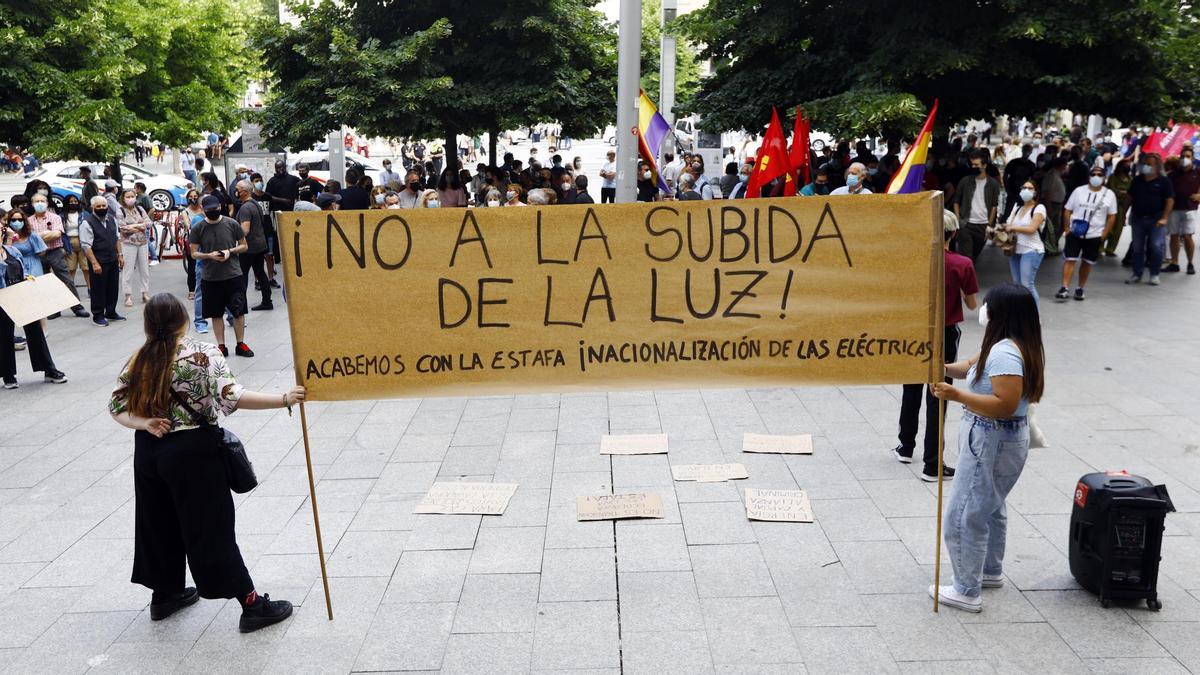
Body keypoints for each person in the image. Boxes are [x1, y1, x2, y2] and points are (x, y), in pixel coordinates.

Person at [109, 293, 301, 632]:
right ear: (183, 320)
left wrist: (145, 423)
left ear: (148, 325)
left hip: (149, 452)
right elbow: (233, 397)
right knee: (211, 528)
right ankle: (252, 604)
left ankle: (164, 595)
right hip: (192, 452)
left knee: (158, 524)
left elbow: (116, 406)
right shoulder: (202, 355)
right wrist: (284, 398)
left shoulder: (138, 358)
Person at [930, 283, 1045, 612]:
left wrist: (957, 395)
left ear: (1000, 313)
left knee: (964, 512)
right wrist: (940, 369)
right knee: (991, 506)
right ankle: (988, 571)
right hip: (1002, 437)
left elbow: (1004, 403)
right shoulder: (1009, 344)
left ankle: (966, 588)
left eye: (988, 305)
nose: (982, 309)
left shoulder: (1005, 353)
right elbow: (966, 366)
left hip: (992, 435)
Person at [893, 210, 978, 481]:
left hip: (915, 330)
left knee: (911, 388)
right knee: (938, 394)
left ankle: (906, 446)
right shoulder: (962, 263)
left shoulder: (913, 260)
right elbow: (972, 303)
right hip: (944, 333)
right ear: (953, 234)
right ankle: (932, 464)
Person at [1, 226, 68, 388]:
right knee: (4, 336)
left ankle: (49, 369)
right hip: (3, 298)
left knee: (35, 331)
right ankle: (8, 375)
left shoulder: (12, 250)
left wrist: (26, 278)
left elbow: (20, 269)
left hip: (20, 294)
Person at [190, 195, 252, 357]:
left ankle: (240, 343)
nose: (213, 212)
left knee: (238, 311)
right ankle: (221, 346)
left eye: (215, 209)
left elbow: (244, 246)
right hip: (210, 277)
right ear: (203, 210)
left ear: (220, 207)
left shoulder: (231, 223)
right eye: (210, 210)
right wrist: (209, 255)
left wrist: (229, 251)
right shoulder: (198, 228)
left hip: (233, 274)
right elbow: (194, 253)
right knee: (216, 313)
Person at [1056, 165, 1117, 301]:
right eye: (1093, 174)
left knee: (1087, 262)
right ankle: (1064, 287)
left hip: (1095, 234)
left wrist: (1105, 233)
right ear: (1089, 176)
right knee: (1070, 259)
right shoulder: (1079, 191)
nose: (1096, 177)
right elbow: (1067, 209)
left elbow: (1112, 215)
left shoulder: (1109, 195)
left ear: (1104, 177)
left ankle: (1080, 288)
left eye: (1099, 175)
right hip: (1075, 231)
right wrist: (1067, 227)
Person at [27, 193, 89, 318]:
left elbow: (57, 234)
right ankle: (54, 309)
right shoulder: (28, 221)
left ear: (47, 203)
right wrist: (46, 234)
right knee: (45, 282)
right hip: (38, 254)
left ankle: (77, 307)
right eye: (37, 201)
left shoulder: (55, 217)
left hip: (55, 251)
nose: (40, 203)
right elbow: (29, 238)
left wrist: (38, 236)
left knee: (66, 279)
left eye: (42, 201)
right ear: (32, 204)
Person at [1125, 153, 1174, 286]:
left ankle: (1154, 274)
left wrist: (1165, 217)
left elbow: (1169, 200)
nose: (1146, 166)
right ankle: (1137, 273)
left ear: (1157, 166)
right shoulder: (1137, 180)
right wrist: (1123, 212)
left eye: (1149, 164)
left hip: (1156, 220)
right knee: (1137, 247)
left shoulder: (1164, 181)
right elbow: (1130, 197)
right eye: (1145, 163)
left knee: (1156, 246)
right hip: (1138, 218)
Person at [80, 195, 125, 326]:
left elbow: (117, 238)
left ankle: (110, 312)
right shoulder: (87, 223)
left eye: (103, 206)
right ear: (93, 207)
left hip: (112, 258)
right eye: (98, 206)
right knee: (98, 289)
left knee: (113, 287)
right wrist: (94, 263)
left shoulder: (112, 219)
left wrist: (120, 255)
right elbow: (86, 246)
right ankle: (98, 315)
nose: (101, 208)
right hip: (98, 260)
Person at [1003, 180, 1047, 306]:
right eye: (1024, 187)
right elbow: (1009, 225)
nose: (1026, 190)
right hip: (1015, 249)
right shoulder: (1018, 208)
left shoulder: (1039, 208)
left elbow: (1032, 229)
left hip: (1031, 250)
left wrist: (1013, 228)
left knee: (1027, 285)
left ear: (1036, 192)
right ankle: (1022, 315)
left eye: (1030, 188)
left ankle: (1035, 317)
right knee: (1017, 285)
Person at [952, 150, 1001, 261]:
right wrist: (958, 219)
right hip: (966, 224)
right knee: (966, 257)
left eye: (976, 165)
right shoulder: (965, 181)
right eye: (972, 164)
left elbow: (994, 205)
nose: (973, 167)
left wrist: (989, 224)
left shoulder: (993, 184)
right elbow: (956, 201)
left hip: (983, 226)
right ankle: (965, 278)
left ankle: (968, 276)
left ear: (984, 165)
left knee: (974, 257)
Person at [234, 181, 272, 311]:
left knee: (242, 276)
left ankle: (241, 306)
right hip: (260, 245)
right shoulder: (255, 203)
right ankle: (267, 301)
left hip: (249, 247)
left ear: (244, 191)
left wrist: (233, 237)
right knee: (260, 272)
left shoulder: (245, 208)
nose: (236, 191)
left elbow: (245, 229)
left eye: (237, 189)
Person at [114, 189, 152, 307]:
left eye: (132, 196)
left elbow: (148, 223)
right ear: (123, 198)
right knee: (128, 270)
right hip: (128, 244)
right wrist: (139, 227)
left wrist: (134, 227)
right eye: (128, 196)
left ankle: (145, 293)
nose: (130, 198)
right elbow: (123, 228)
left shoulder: (140, 209)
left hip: (143, 243)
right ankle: (128, 296)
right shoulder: (120, 211)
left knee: (144, 270)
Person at [1165, 146, 1198, 275]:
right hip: (1174, 208)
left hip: (1190, 208)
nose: (1185, 159)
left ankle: (1190, 263)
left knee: (1187, 236)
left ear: (1193, 158)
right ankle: (1174, 262)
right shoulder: (1173, 174)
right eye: (1183, 156)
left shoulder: (1198, 172)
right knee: (1174, 235)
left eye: (1188, 156)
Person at [60, 194, 90, 292]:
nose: (73, 203)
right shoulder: (62, 216)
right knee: (71, 268)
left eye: (75, 201)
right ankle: (70, 290)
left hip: (82, 241)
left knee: (86, 268)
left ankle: (91, 289)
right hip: (68, 242)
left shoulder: (84, 214)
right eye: (71, 202)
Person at [1103, 159, 1132, 257]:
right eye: (1126, 165)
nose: (1128, 166)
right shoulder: (1113, 177)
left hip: (1123, 206)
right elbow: (1110, 189)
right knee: (1107, 227)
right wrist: (1121, 192)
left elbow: (1131, 192)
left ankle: (1110, 249)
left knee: (1118, 229)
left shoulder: (1130, 179)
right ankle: (1099, 247)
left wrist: (1125, 194)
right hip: (1111, 205)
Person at [1040, 158, 1067, 255]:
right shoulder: (1051, 175)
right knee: (1050, 228)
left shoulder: (1057, 175)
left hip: (1057, 204)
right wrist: (1049, 207)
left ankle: (1051, 247)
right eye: (1065, 165)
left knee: (1055, 227)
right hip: (1051, 204)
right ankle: (1047, 248)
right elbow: (1047, 192)